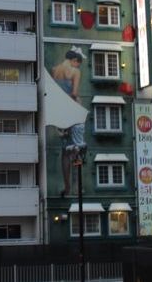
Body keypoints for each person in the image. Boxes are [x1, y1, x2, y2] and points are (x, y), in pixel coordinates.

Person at [50, 47, 88, 196]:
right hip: (72, 111)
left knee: (65, 152)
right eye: (79, 62)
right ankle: (78, 187)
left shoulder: (55, 69)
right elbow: (74, 93)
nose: (79, 65)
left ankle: (67, 188)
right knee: (77, 148)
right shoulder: (74, 72)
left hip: (59, 113)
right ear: (74, 60)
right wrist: (78, 100)